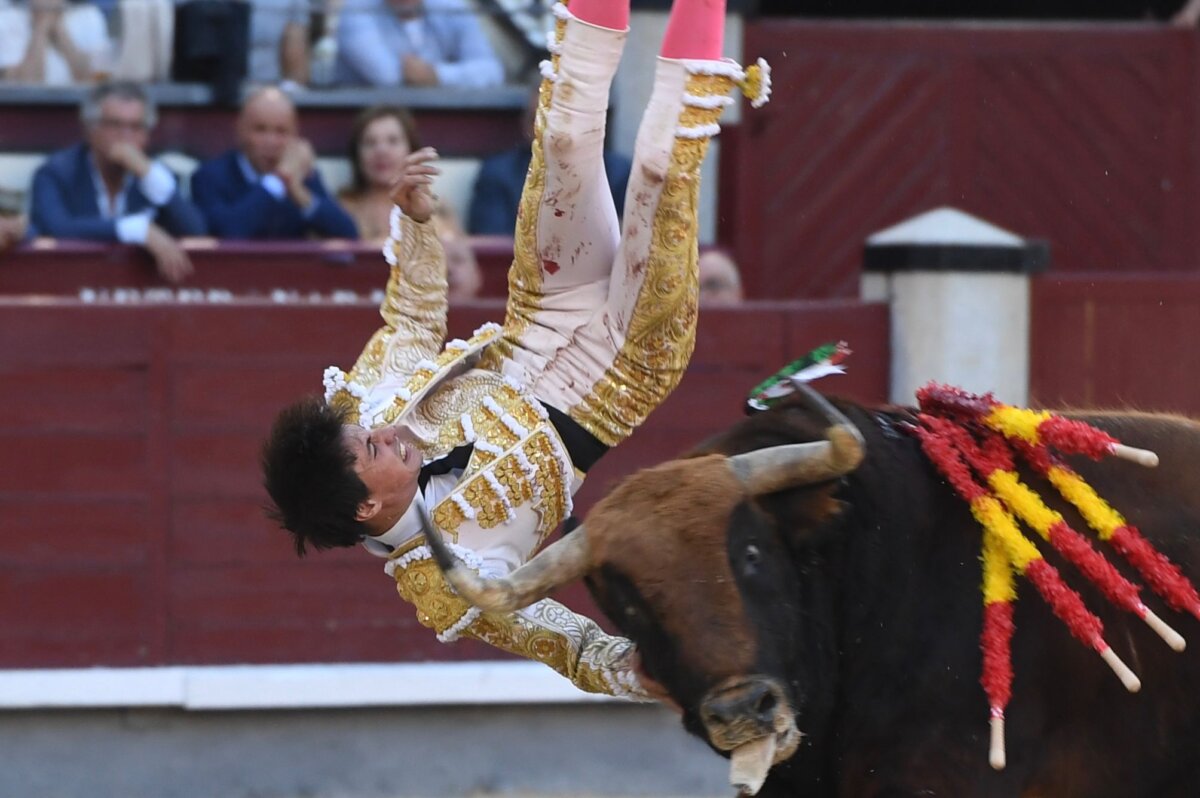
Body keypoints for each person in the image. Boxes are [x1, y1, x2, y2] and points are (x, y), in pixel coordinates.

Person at [262, 0, 769, 697]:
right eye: (372, 451)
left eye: (368, 434)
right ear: (363, 511)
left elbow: (410, 322)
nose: (384, 431)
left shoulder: (356, 402)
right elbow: (552, 635)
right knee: (661, 165)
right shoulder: (442, 579)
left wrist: (412, 226)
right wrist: (648, 673)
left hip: (545, 307)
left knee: (563, 134)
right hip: (622, 367)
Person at [29, 81, 205, 283]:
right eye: (114, 125)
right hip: (70, 283)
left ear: (147, 135)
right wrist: (136, 229)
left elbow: (195, 230)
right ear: (90, 130)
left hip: (138, 294)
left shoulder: (156, 176)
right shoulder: (56, 173)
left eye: (136, 127)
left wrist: (148, 174)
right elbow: (56, 228)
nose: (126, 137)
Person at [338, 104, 481, 299]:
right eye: (370, 143)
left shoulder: (438, 209)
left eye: (393, 141)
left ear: (411, 150)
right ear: (357, 154)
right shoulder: (339, 209)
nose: (381, 151)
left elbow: (463, 272)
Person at [191, 85, 358, 240]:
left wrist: (299, 193)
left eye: (281, 131)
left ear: (295, 135)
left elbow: (348, 234)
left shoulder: (303, 176)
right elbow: (228, 233)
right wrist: (278, 181)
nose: (271, 141)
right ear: (240, 130)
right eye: (260, 130)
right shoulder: (209, 177)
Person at [468, 80, 632, 235]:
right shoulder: (499, 174)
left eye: (559, 122)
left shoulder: (618, 173)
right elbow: (492, 249)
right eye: (538, 121)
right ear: (525, 124)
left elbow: (635, 240)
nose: (548, 132)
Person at [335, 0, 503, 89]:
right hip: (369, 122)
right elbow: (388, 76)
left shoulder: (451, 6)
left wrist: (438, 75)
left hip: (440, 120)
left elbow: (492, 71)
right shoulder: (356, 9)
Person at [0, 0, 111, 85]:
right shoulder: (6, 19)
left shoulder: (89, 16)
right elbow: (26, 82)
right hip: (24, 110)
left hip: (77, 108)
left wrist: (59, 30)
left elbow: (95, 82)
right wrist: (41, 29)